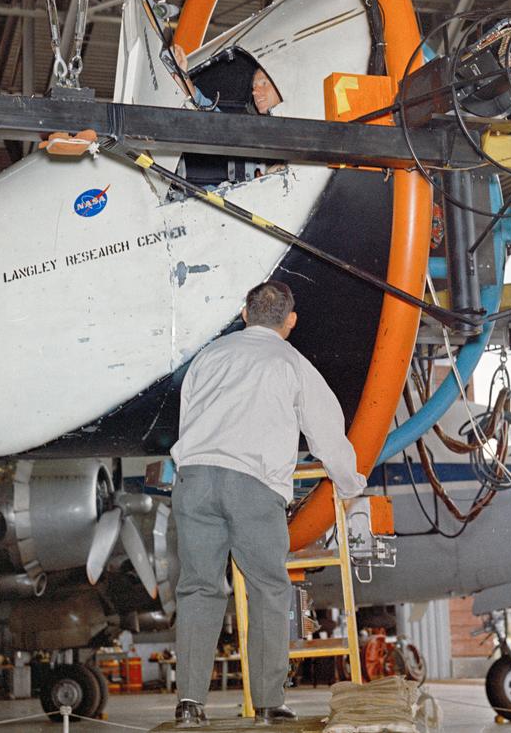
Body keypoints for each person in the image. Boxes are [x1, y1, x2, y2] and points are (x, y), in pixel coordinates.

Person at [170, 281, 368, 727]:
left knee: (198, 588)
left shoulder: (210, 355)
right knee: (268, 589)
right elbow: (327, 434)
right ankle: (267, 703)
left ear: (244, 313)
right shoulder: (291, 362)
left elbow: (190, 420)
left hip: (195, 480)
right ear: (290, 321)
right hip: (253, 485)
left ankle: (189, 704)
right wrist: (349, 482)